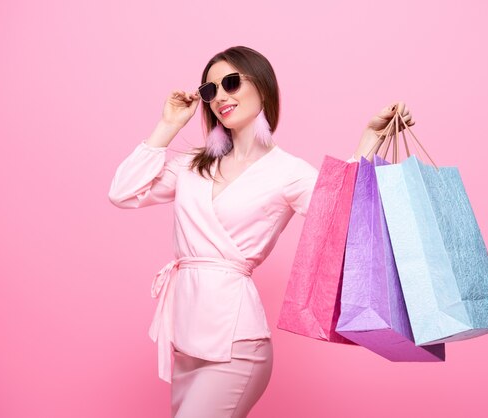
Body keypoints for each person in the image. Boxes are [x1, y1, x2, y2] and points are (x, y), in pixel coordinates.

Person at [108, 45, 414, 418]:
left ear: (263, 89)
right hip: (185, 341)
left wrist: (367, 143)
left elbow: (340, 214)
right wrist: (169, 125)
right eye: (210, 91)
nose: (220, 96)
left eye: (231, 83)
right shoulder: (192, 164)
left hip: (236, 344)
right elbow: (122, 193)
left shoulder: (286, 172)